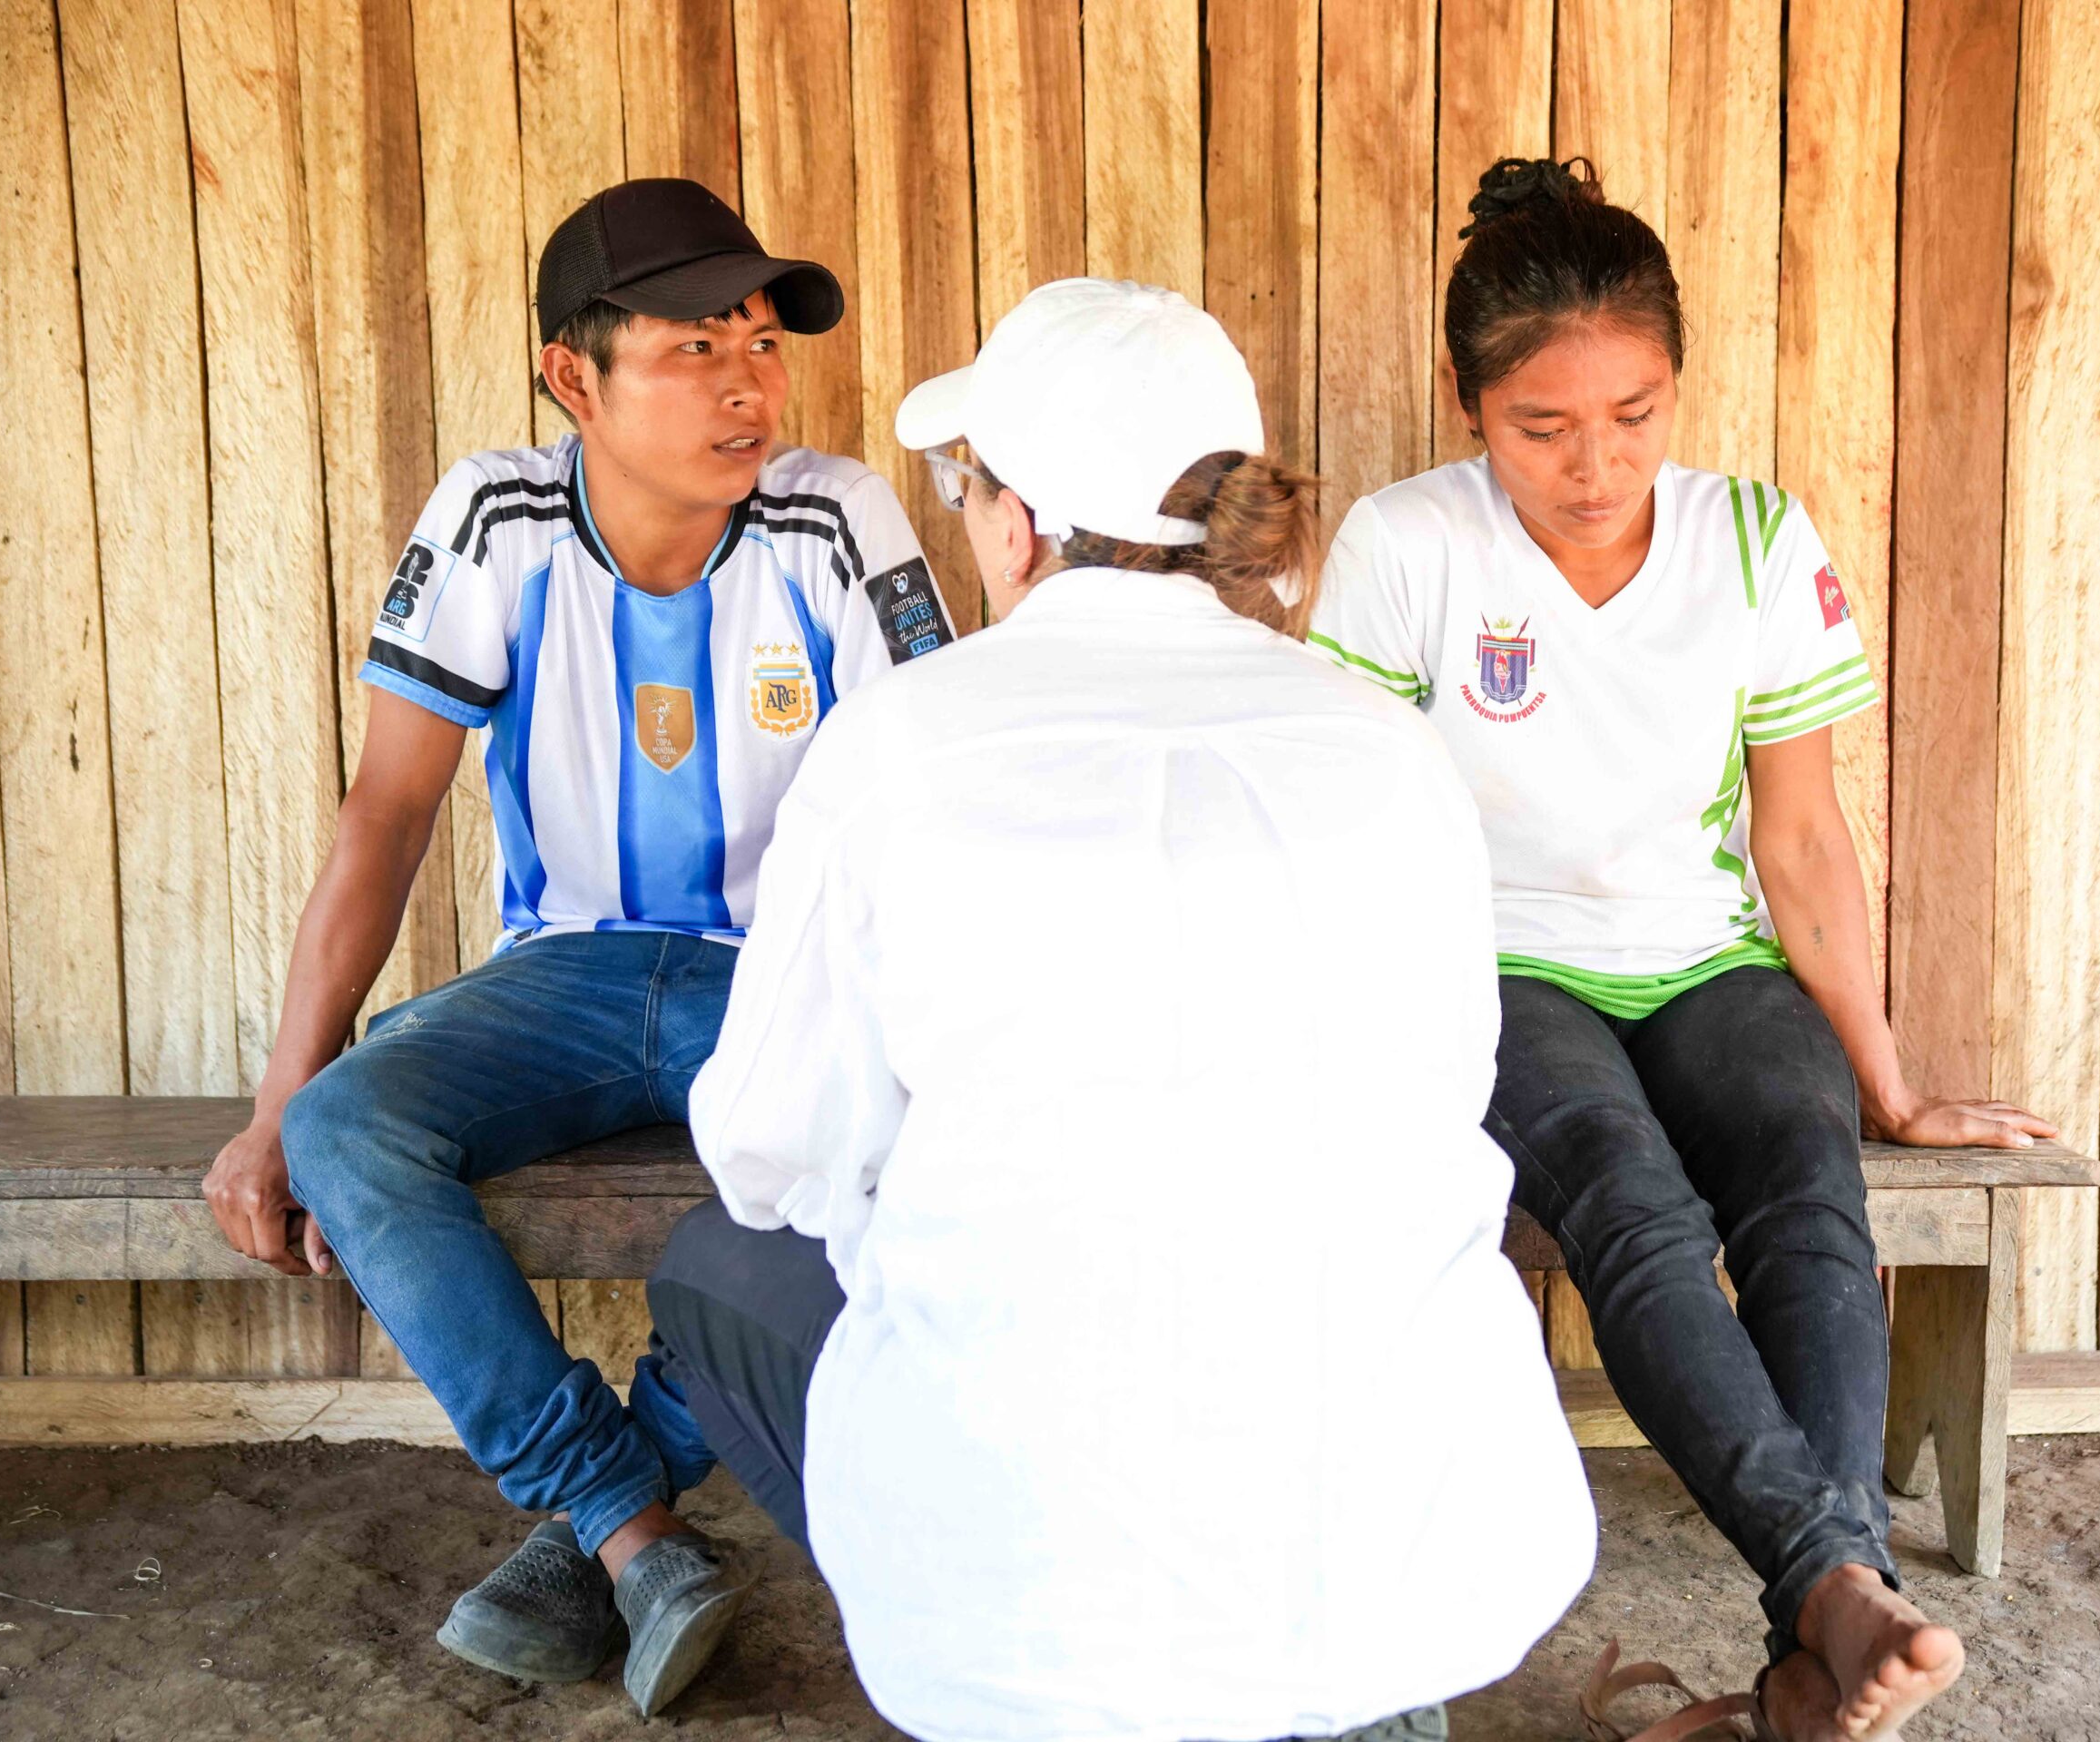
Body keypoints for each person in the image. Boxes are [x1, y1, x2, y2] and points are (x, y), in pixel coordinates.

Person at [645, 278, 1597, 1742]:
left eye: (967, 486)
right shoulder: (1389, 749)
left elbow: (767, 1151)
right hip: (1416, 1576)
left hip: (1037, 1643)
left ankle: (1037, 1637)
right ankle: (1340, 1695)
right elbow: (1445, 1090)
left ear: (1018, 521)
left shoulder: (899, 745)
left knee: (715, 1270)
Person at [1310, 157, 2056, 1742]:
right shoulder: (1404, 545)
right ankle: (1836, 1592)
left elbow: (1802, 841)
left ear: (1676, 387)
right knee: (1628, 1197)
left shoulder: (1757, 540)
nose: (1596, 465)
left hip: (1708, 960)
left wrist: (1888, 1082)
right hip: (1500, 967)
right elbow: (1357, 827)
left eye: (1635, 415)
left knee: (1807, 1184)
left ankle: (1816, 1642)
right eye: (1542, 427)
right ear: (1466, 401)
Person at [197, 177, 951, 1716]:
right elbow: (387, 814)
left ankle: (601, 1530)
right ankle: (628, 1522)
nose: (748, 386)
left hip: (781, 983)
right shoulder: (500, 518)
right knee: (345, 1127)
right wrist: (279, 1103)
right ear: (573, 378)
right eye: (694, 349)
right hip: (565, 980)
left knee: (901, 1144)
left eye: (763, 345)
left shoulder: (833, 514)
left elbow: (933, 804)